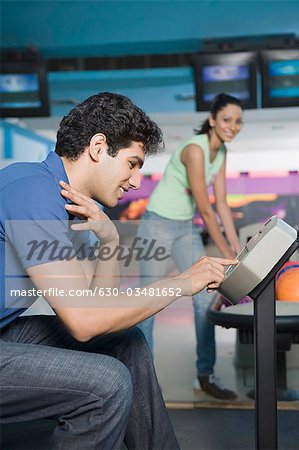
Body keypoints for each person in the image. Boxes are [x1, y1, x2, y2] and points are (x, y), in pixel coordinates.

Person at [0, 92, 237, 450]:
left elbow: (96, 306)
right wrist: (182, 282)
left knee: (126, 341)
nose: (136, 180)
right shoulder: (31, 189)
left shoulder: (69, 203)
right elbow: (84, 322)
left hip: (6, 336)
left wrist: (109, 239)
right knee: (106, 383)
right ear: (98, 147)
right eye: (132, 163)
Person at [138, 93, 243, 401]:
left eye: (238, 121)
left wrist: (236, 247)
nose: (233, 126)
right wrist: (226, 253)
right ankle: (143, 382)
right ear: (212, 120)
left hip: (185, 228)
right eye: (227, 119)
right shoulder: (196, 150)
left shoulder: (221, 152)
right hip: (157, 223)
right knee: (148, 303)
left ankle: (205, 375)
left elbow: (223, 203)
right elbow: (207, 208)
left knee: (203, 299)